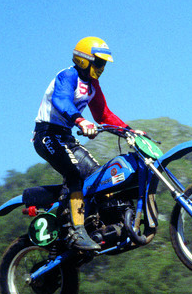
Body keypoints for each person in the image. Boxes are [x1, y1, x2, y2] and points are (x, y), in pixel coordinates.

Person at [32, 36, 132, 252]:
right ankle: (76, 231)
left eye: (104, 63)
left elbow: (103, 114)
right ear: (84, 59)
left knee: (98, 177)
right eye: (99, 62)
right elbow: (61, 100)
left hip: (66, 137)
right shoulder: (68, 75)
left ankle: (97, 225)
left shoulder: (93, 85)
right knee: (74, 174)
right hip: (46, 135)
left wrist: (129, 132)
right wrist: (80, 120)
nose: (102, 68)